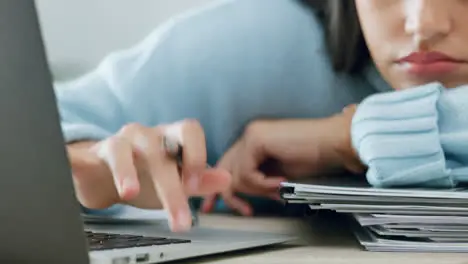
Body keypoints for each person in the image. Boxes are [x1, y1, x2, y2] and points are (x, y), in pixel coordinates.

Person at [56, 0, 468, 233]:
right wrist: (87, 161)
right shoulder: (263, 46)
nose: (424, 24)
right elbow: (35, 119)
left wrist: (343, 136)